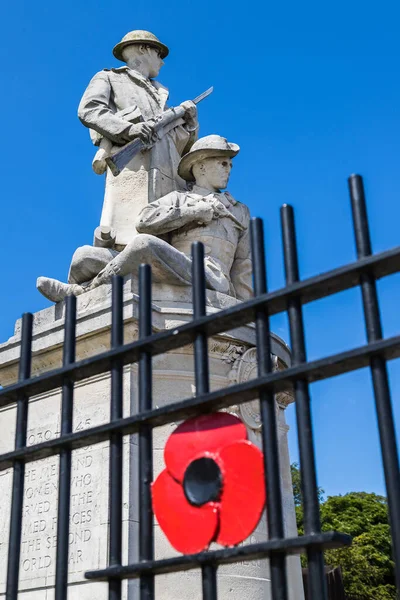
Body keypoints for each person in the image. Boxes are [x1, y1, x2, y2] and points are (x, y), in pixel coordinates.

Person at [37, 135, 252, 302]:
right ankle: (87, 289)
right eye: (223, 163)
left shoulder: (239, 210)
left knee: (144, 244)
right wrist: (192, 212)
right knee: (82, 257)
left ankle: (85, 291)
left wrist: (246, 315)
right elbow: (144, 221)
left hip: (210, 278)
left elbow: (245, 267)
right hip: (171, 265)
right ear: (201, 165)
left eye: (230, 165)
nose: (229, 170)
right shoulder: (180, 199)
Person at [78, 30, 198, 247]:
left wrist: (189, 124)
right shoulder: (110, 77)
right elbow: (90, 109)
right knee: (129, 234)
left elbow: (179, 145)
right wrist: (128, 129)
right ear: (143, 49)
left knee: (168, 243)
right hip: (134, 168)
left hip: (167, 173)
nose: (162, 62)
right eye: (159, 54)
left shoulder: (160, 93)